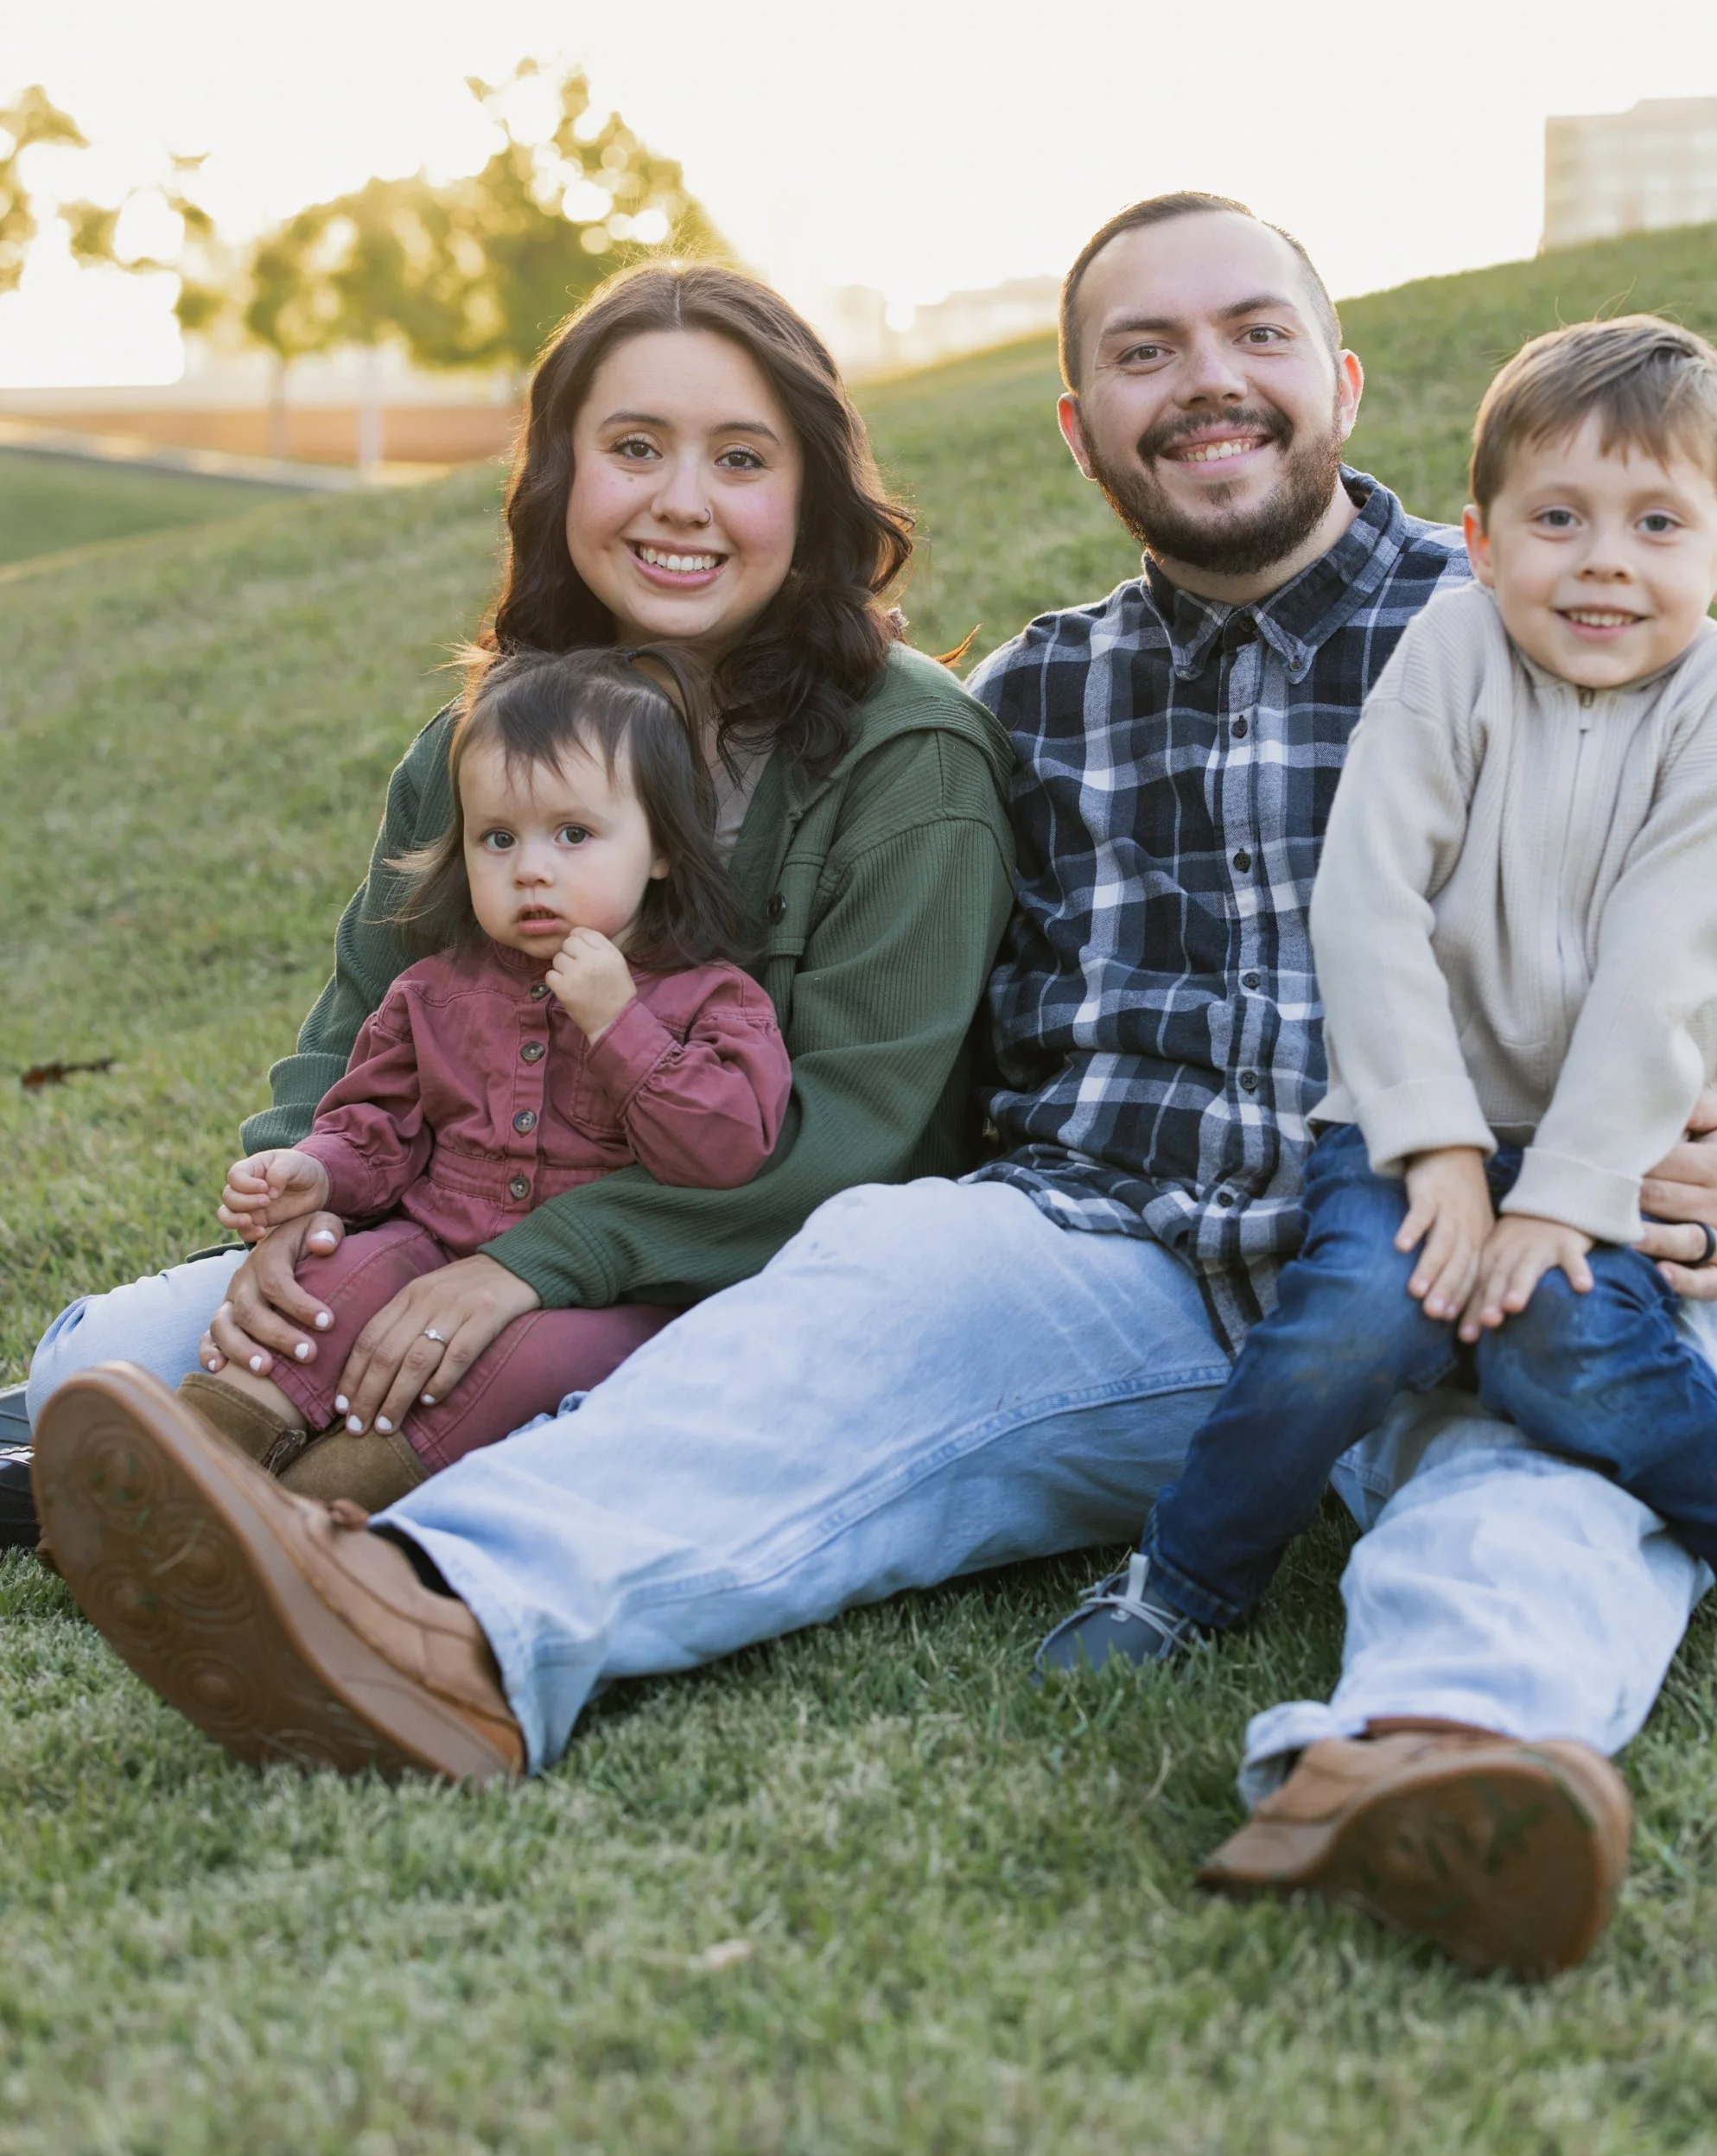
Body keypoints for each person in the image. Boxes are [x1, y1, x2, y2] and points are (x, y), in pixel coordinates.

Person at [34, 196, 1717, 1983]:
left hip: (1586, 1234)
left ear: (1342, 384)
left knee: (1556, 1461)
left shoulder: (1581, 610)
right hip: (1144, 1271)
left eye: (1258, 333)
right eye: (1143, 349)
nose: (1208, 380)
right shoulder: (1033, 699)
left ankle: (1429, 1758)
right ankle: (436, 1623)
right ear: (1081, 422)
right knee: (872, 1280)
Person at [1034, 315, 1717, 1720]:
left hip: (1621, 1137)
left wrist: (1561, 1202)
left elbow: (1668, 957)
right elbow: (1369, 905)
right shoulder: (1454, 651)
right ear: (1480, 539)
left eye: (1658, 522)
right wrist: (1443, 1159)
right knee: (1351, 1317)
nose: (1602, 559)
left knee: (1572, 1347)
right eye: (1557, 518)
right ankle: (1186, 1578)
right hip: (1413, 1123)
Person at [27, 256, 1014, 1460]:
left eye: (742, 458)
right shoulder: (486, 740)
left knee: (488, 1380)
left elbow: (855, 1138)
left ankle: (318, 1502)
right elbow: (363, 1015)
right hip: (453, 1224)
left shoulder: (911, 756)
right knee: (90, 1358)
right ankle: (178, 1472)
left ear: (809, 495)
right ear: (559, 474)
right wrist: (298, 1194)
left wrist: (530, 1267)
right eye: (635, 446)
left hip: (755, 1271)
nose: (683, 501)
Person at [194, 646, 792, 1506]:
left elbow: (725, 1150)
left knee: (511, 1366)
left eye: (574, 835)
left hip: (607, 1298)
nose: (531, 868)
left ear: (661, 848)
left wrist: (618, 1025)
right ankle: (181, 1461)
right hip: (435, 1239)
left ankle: (307, 1515)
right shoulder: (436, 991)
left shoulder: (713, 1001)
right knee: (335, 1283)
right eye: (497, 838)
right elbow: (377, 1131)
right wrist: (314, 1170)